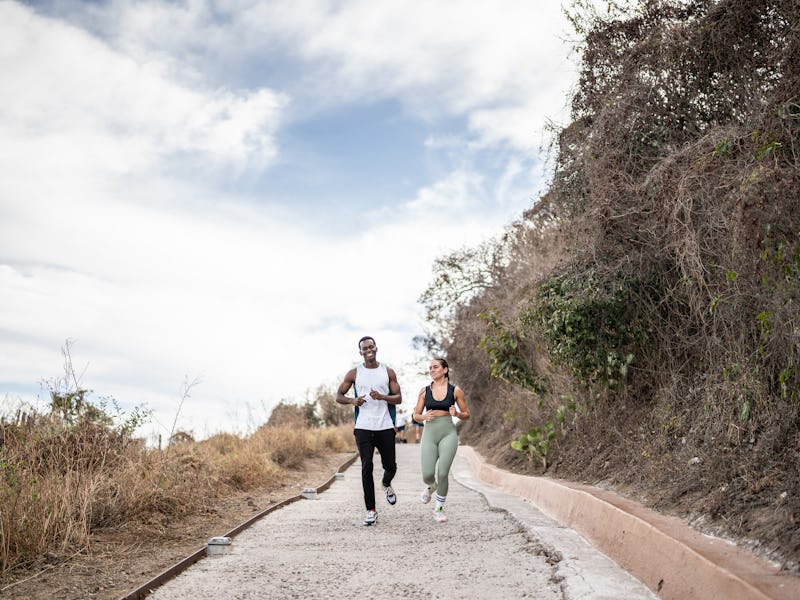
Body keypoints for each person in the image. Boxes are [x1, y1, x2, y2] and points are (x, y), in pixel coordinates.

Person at [336, 335, 403, 526]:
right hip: (363, 427)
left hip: (385, 426)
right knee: (367, 466)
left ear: (376, 348)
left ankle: (387, 483)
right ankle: (371, 510)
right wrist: (352, 401)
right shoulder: (354, 373)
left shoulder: (388, 371)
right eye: (365, 348)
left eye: (371, 347)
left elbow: (398, 398)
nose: (368, 350)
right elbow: (339, 395)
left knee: (390, 466)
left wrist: (382, 396)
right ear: (361, 352)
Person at [412, 357, 470, 523]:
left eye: (435, 367)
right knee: (428, 474)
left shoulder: (456, 391)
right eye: (430, 368)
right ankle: (431, 486)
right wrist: (423, 416)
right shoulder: (424, 391)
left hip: (448, 433)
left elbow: (467, 415)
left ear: (445, 370)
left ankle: (439, 509)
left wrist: (457, 414)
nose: (431, 370)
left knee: (443, 473)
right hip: (429, 432)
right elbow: (415, 415)